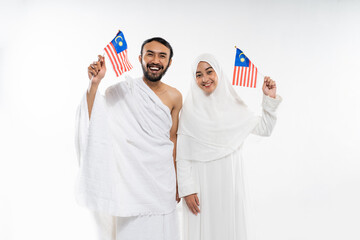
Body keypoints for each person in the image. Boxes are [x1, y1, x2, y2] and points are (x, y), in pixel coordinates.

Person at [75, 37, 182, 240]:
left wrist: (178, 182)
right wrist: (94, 84)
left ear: (169, 62)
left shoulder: (175, 96)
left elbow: (173, 139)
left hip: (163, 183)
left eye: (162, 56)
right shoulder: (121, 92)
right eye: (150, 54)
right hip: (131, 184)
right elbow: (95, 117)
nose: (155, 60)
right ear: (140, 58)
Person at [176, 53, 282, 240]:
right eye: (198, 75)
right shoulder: (189, 111)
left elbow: (265, 129)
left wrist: (269, 99)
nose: (205, 79)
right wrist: (187, 188)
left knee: (228, 228)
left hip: (229, 181)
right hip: (201, 185)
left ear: (219, 73)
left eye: (209, 72)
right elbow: (183, 153)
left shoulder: (234, 106)